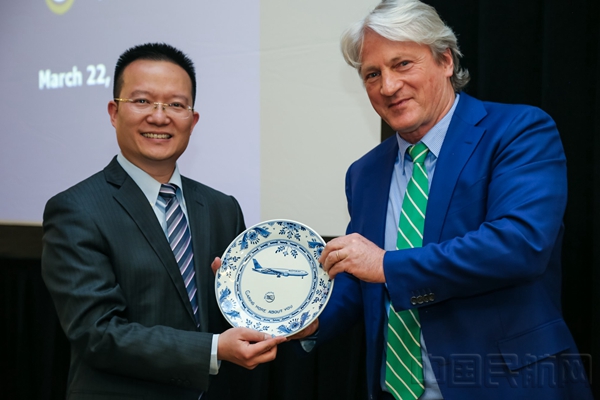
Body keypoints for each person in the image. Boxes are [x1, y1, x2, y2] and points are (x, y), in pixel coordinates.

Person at [293, 1, 594, 399]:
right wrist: (308, 320)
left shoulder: (518, 131)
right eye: (372, 74)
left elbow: (519, 245)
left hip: (505, 386)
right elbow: (360, 280)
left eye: (402, 64)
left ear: (446, 60)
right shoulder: (364, 173)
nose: (388, 86)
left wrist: (387, 265)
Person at [41, 42, 285, 399]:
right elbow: (97, 333)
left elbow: (243, 311)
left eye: (176, 104)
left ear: (193, 120)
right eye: (142, 101)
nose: (159, 117)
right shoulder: (76, 210)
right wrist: (213, 350)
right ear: (114, 112)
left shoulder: (222, 208)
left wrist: (286, 317)